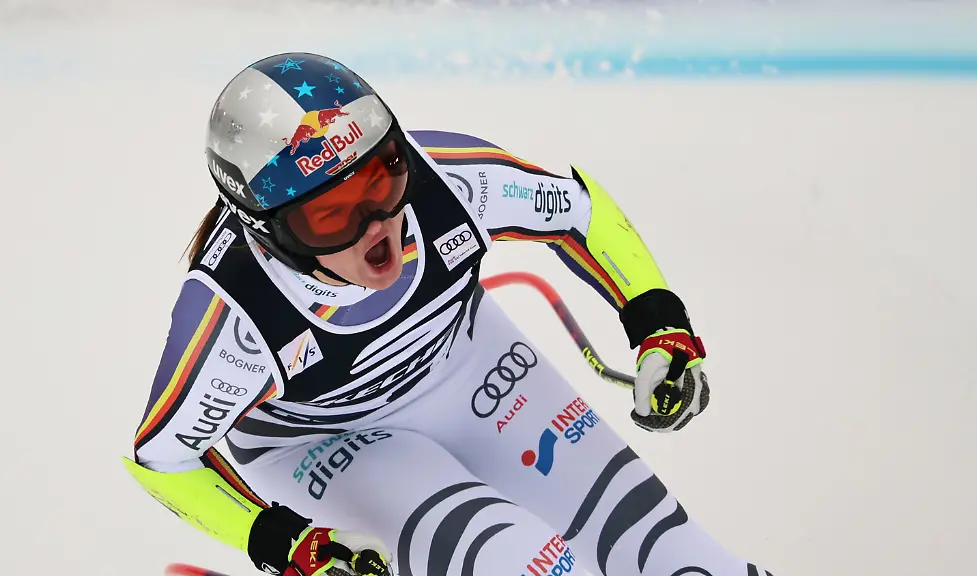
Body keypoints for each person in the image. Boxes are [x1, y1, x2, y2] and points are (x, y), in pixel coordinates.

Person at [124, 52, 776, 576]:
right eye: (330, 216)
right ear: (266, 232)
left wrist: (660, 327)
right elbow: (161, 459)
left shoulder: (447, 177)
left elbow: (579, 213)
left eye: (382, 179)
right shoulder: (233, 317)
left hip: (470, 366)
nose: (378, 227)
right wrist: (278, 538)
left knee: (670, 553)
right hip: (323, 443)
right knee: (529, 562)